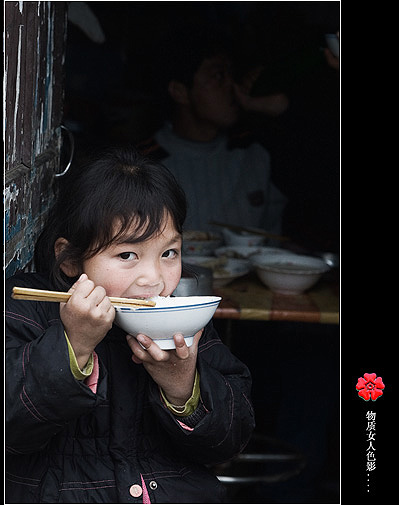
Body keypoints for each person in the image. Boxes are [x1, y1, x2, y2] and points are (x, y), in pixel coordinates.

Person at [5, 147, 255, 503]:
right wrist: (73, 345)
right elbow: (10, 428)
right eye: (127, 255)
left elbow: (229, 442)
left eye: (169, 253)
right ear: (71, 259)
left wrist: (183, 385)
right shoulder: (26, 308)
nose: (154, 280)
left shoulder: (181, 322)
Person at [138, 23, 288, 236]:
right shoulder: (144, 165)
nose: (233, 87)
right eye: (218, 76)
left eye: (232, 75)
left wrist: (281, 110)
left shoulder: (256, 151)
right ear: (180, 92)